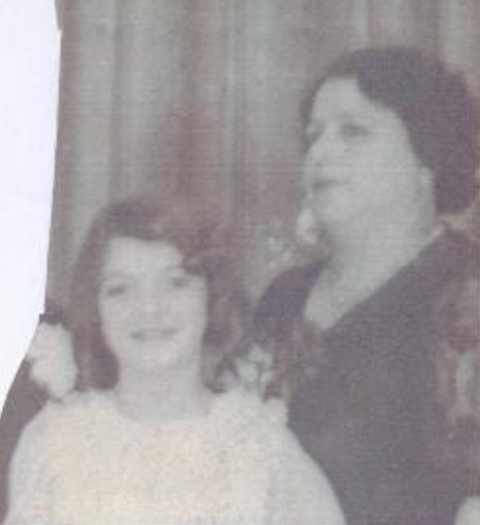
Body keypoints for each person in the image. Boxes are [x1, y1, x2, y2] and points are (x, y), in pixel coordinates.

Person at [3, 196, 345, 525]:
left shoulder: (261, 448)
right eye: (121, 289)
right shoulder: (53, 444)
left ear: (210, 295)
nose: (149, 307)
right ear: (97, 308)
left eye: (175, 283)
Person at [253, 46, 480, 525]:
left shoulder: (468, 293)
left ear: (427, 156)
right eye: (313, 136)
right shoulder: (284, 298)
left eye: (352, 131)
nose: (319, 153)